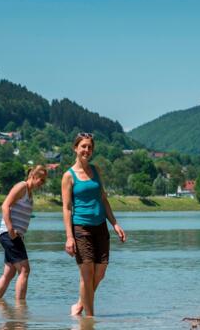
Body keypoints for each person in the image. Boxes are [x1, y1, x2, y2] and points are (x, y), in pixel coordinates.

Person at [62, 132, 126, 318]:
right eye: (83, 146)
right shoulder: (68, 176)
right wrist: (69, 237)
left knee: (101, 272)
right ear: (75, 148)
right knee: (87, 274)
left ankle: (81, 303)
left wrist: (115, 223)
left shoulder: (96, 171)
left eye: (89, 147)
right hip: (81, 228)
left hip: (101, 227)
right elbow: (66, 208)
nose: (87, 150)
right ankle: (89, 320)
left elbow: (103, 199)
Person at [0, 165, 48, 300]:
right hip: (9, 234)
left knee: (10, 272)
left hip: (15, 236)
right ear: (33, 177)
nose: (42, 184)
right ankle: (20, 310)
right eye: (41, 180)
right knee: (24, 270)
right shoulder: (21, 187)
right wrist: (11, 229)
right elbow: (5, 205)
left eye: (44, 181)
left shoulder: (29, 193)